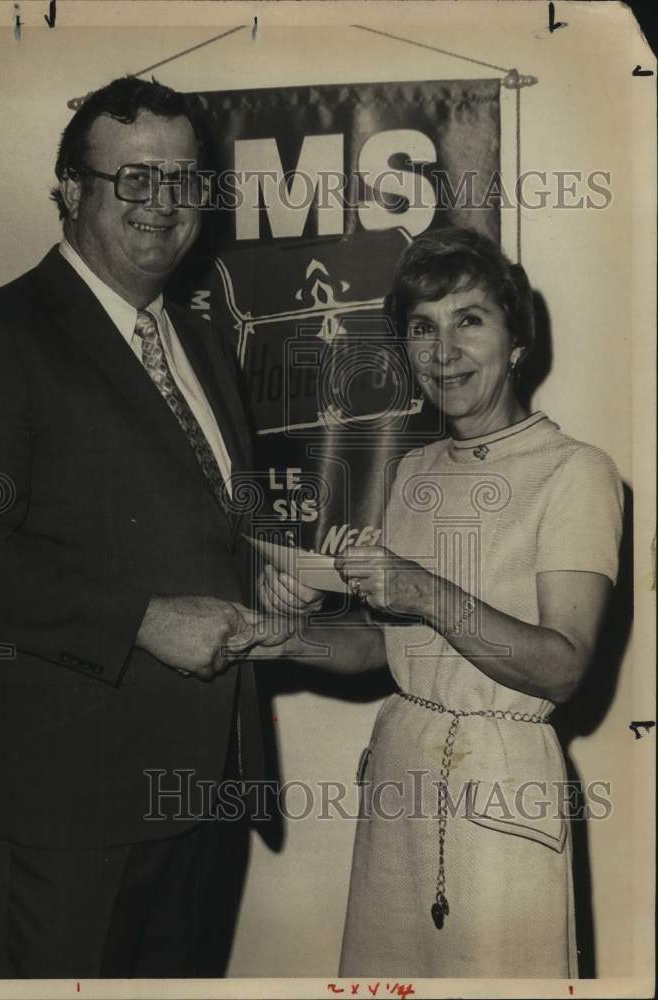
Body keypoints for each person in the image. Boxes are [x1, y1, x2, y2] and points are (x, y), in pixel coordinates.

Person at [0, 75, 266, 979]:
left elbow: (204, 533)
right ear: (68, 190)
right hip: (71, 805)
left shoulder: (208, 340)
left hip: (209, 790)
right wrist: (140, 618)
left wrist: (274, 576)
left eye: (183, 180)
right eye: (133, 178)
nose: (163, 203)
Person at [258, 226, 624, 978]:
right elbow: (382, 648)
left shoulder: (576, 472)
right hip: (399, 775)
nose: (443, 350)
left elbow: (562, 668)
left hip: (503, 793)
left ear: (516, 340)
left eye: (470, 320)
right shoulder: (416, 469)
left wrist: (422, 589)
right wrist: (277, 637)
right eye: (422, 328)